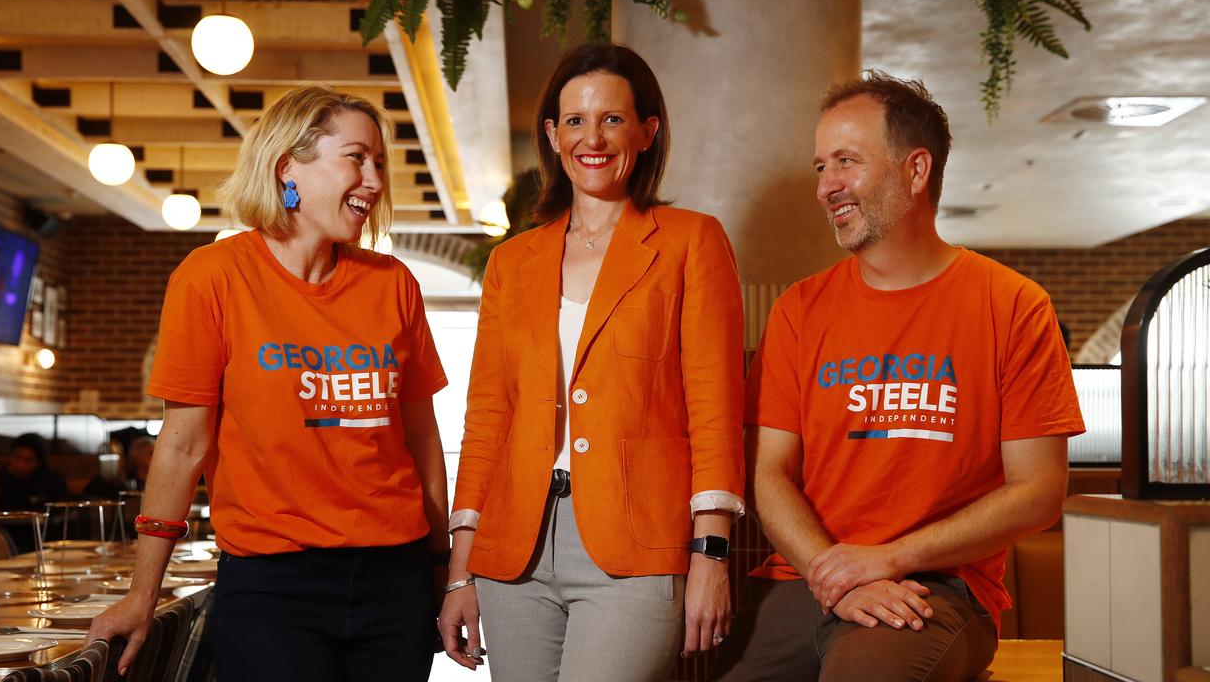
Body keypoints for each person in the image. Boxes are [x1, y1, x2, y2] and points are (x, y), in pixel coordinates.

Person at [711, 71, 1085, 682]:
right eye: (820, 167)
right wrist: (833, 572)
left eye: (846, 162)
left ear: (916, 171)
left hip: (936, 588)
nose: (826, 186)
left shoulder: (1013, 306)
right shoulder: (799, 311)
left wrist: (890, 558)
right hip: (803, 578)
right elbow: (768, 470)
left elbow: (1039, 492)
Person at [87, 85, 450, 682]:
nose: (375, 180)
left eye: (379, 163)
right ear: (289, 168)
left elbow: (422, 442)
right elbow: (182, 446)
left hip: (396, 580)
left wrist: (444, 569)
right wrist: (141, 593)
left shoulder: (394, 284)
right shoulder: (212, 278)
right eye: (356, 157)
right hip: (272, 588)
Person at [438, 43, 746, 682]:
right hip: (513, 549)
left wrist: (711, 555)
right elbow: (488, 417)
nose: (592, 138)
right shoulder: (511, 263)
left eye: (612, 118)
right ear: (552, 135)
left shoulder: (692, 241)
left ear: (647, 131)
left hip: (635, 548)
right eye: (574, 121)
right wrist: (461, 568)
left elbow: (714, 411)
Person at [0, 433, 69, 552]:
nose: (20, 465)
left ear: (39, 463)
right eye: (17, 457)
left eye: (28, 460)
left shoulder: (52, 481)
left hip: (43, 542)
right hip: (6, 540)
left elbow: (59, 515)